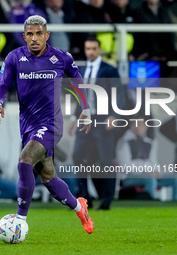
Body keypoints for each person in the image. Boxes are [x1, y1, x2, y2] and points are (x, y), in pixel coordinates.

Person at [0, 15, 94, 234]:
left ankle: (19, 221)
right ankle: (79, 207)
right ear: (24, 36)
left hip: (51, 123)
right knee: (48, 177)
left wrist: (85, 109)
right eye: (30, 34)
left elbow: (78, 81)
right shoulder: (14, 58)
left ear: (47, 35)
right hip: (27, 125)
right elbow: (1, 84)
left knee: (25, 161)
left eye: (39, 33)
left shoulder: (61, 58)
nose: (35, 38)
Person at [67, 37, 125, 210]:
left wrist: (114, 115)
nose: (90, 52)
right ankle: (85, 200)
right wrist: (72, 119)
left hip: (102, 119)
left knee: (106, 160)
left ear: (99, 50)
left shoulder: (110, 70)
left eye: (93, 48)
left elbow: (119, 94)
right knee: (78, 157)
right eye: (87, 48)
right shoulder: (81, 70)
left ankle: (107, 199)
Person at [116, 115, 177, 201]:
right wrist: (144, 170)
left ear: (146, 127)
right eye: (136, 124)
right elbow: (125, 166)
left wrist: (157, 172)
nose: (138, 127)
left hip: (150, 175)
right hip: (130, 177)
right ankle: (150, 206)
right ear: (131, 125)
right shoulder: (124, 142)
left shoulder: (149, 143)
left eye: (141, 124)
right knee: (150, 178)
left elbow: (154, 162)